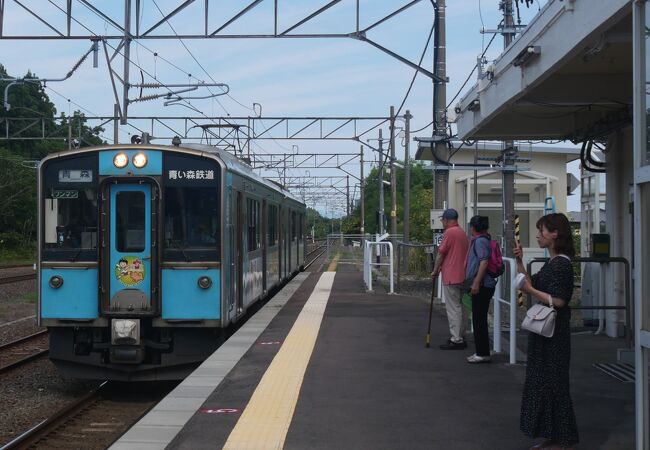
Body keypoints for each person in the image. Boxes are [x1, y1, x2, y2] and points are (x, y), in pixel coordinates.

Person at [515, 213, 578, 450]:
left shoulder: (561, 264)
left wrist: (530, 290)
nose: (538, 235)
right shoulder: (554, 262)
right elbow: (530, 282)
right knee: (546, 384)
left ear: (555, 234)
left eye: (542, 231)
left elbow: (559, 300)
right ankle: (554, 436)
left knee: (554, 385)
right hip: (546, 334)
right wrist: (520, 262)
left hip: (555, 335)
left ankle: (562, 439)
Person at [431, 208, 469, 350]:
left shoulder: (449, 233)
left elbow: (441, 254)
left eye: (443, 220)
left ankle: (456, 339)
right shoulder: (462, 232)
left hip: (452, 275)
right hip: (464, 275)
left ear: (447, 220)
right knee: (462, 307)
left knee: (453, 308)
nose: (442, 222)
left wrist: (435, 270)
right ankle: (461, 334)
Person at [464, 215, 497, 363]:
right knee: (479, 318)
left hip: (483, 284)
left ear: (474, 227)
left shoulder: (480, 241)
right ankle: (482, 350)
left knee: (479, 319)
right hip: (485, 284)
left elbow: (483, 262)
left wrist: (476, 282)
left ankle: (482, 353)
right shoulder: (485, 239)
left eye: (471, 226)